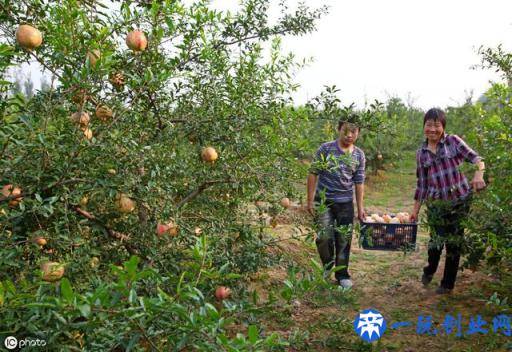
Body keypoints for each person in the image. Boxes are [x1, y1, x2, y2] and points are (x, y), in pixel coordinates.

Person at [410, 108, 486, 294]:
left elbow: (477, 159)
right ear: (424, 127)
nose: (433, 129)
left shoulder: (453, 141)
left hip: (460, 200)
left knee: (454, 242)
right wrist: (415, 211)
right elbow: (422, 184)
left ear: (443, 127)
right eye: (429, 125)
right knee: (436, 242)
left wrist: (479, 173)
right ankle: (430, 270)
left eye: (437, 125)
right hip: (436, 203)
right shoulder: (422, 153)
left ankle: (447, 283)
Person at [307, 118, 366, 289]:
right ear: (338, 129)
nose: (349, 135)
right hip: (324, 200)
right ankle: (327, 266)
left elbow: (359, 182)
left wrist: (360, 208)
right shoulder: (326, 149)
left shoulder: (358, 155)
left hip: (345, 203)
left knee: (343, 239)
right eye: (345, 130)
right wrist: (310, 200)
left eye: (353, 131)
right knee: (324, 237)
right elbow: (313, 173)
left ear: (358, 133)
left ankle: (342, 274)